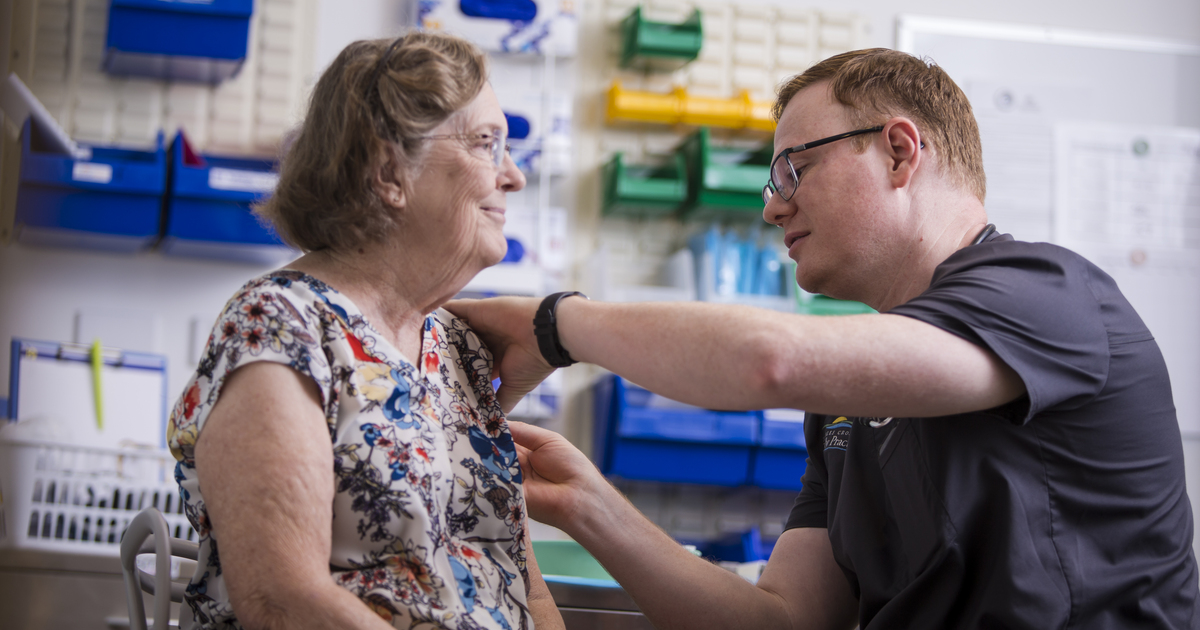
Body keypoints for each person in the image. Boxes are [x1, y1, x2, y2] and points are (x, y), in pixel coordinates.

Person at [446, 48, 1200, 629]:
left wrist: (553, 323)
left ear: (901, 151)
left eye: (792, 170)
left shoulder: (1048, 294)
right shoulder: (847, 405)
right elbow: (785, 619)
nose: (773, 210)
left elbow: (768, 362)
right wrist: (587, 506)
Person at [166, 32, 564, 630]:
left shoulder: (454, 347)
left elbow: (524, 591)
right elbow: (283, 602)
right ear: (388, 172)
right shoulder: (281, 326)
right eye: (488, 144)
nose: (513, 176)